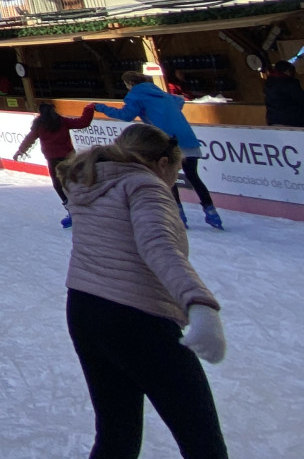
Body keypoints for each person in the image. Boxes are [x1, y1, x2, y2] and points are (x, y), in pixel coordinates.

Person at [60, 123, 229, 459]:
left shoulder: (90, 180)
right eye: (176, 171)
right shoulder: (145, 184)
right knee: (203, 443)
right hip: (138, 320)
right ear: (162, 163)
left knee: (117, 436)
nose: (173, 180)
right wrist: (199, 304)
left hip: (85, 311)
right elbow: (158, 245)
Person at [94, 73, 221, 229]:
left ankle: (178, 215)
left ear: (130, 83)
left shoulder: (136, 95)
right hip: (187, 138)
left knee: (167, 178)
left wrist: (100, 107)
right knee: (194, 176)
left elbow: (126, 115)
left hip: (166, 140)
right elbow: (180, 100)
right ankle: (212, 212)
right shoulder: (163, 94)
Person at [14, 102, 97, 227]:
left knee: (58, 185)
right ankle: (84, 207)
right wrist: (89, 109)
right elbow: (82, 123)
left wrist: (20, 151)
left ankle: (72, 210)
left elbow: (29, 139)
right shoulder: (61, 121)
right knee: (75, 181)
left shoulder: (39, 124)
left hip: (54, 160)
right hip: (69, 158)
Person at [263, 60, 304, 127]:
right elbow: (300, 99)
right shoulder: (290, 83)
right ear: (288, 71)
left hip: (273, 120)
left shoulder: (269, 84)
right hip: (292, 120)